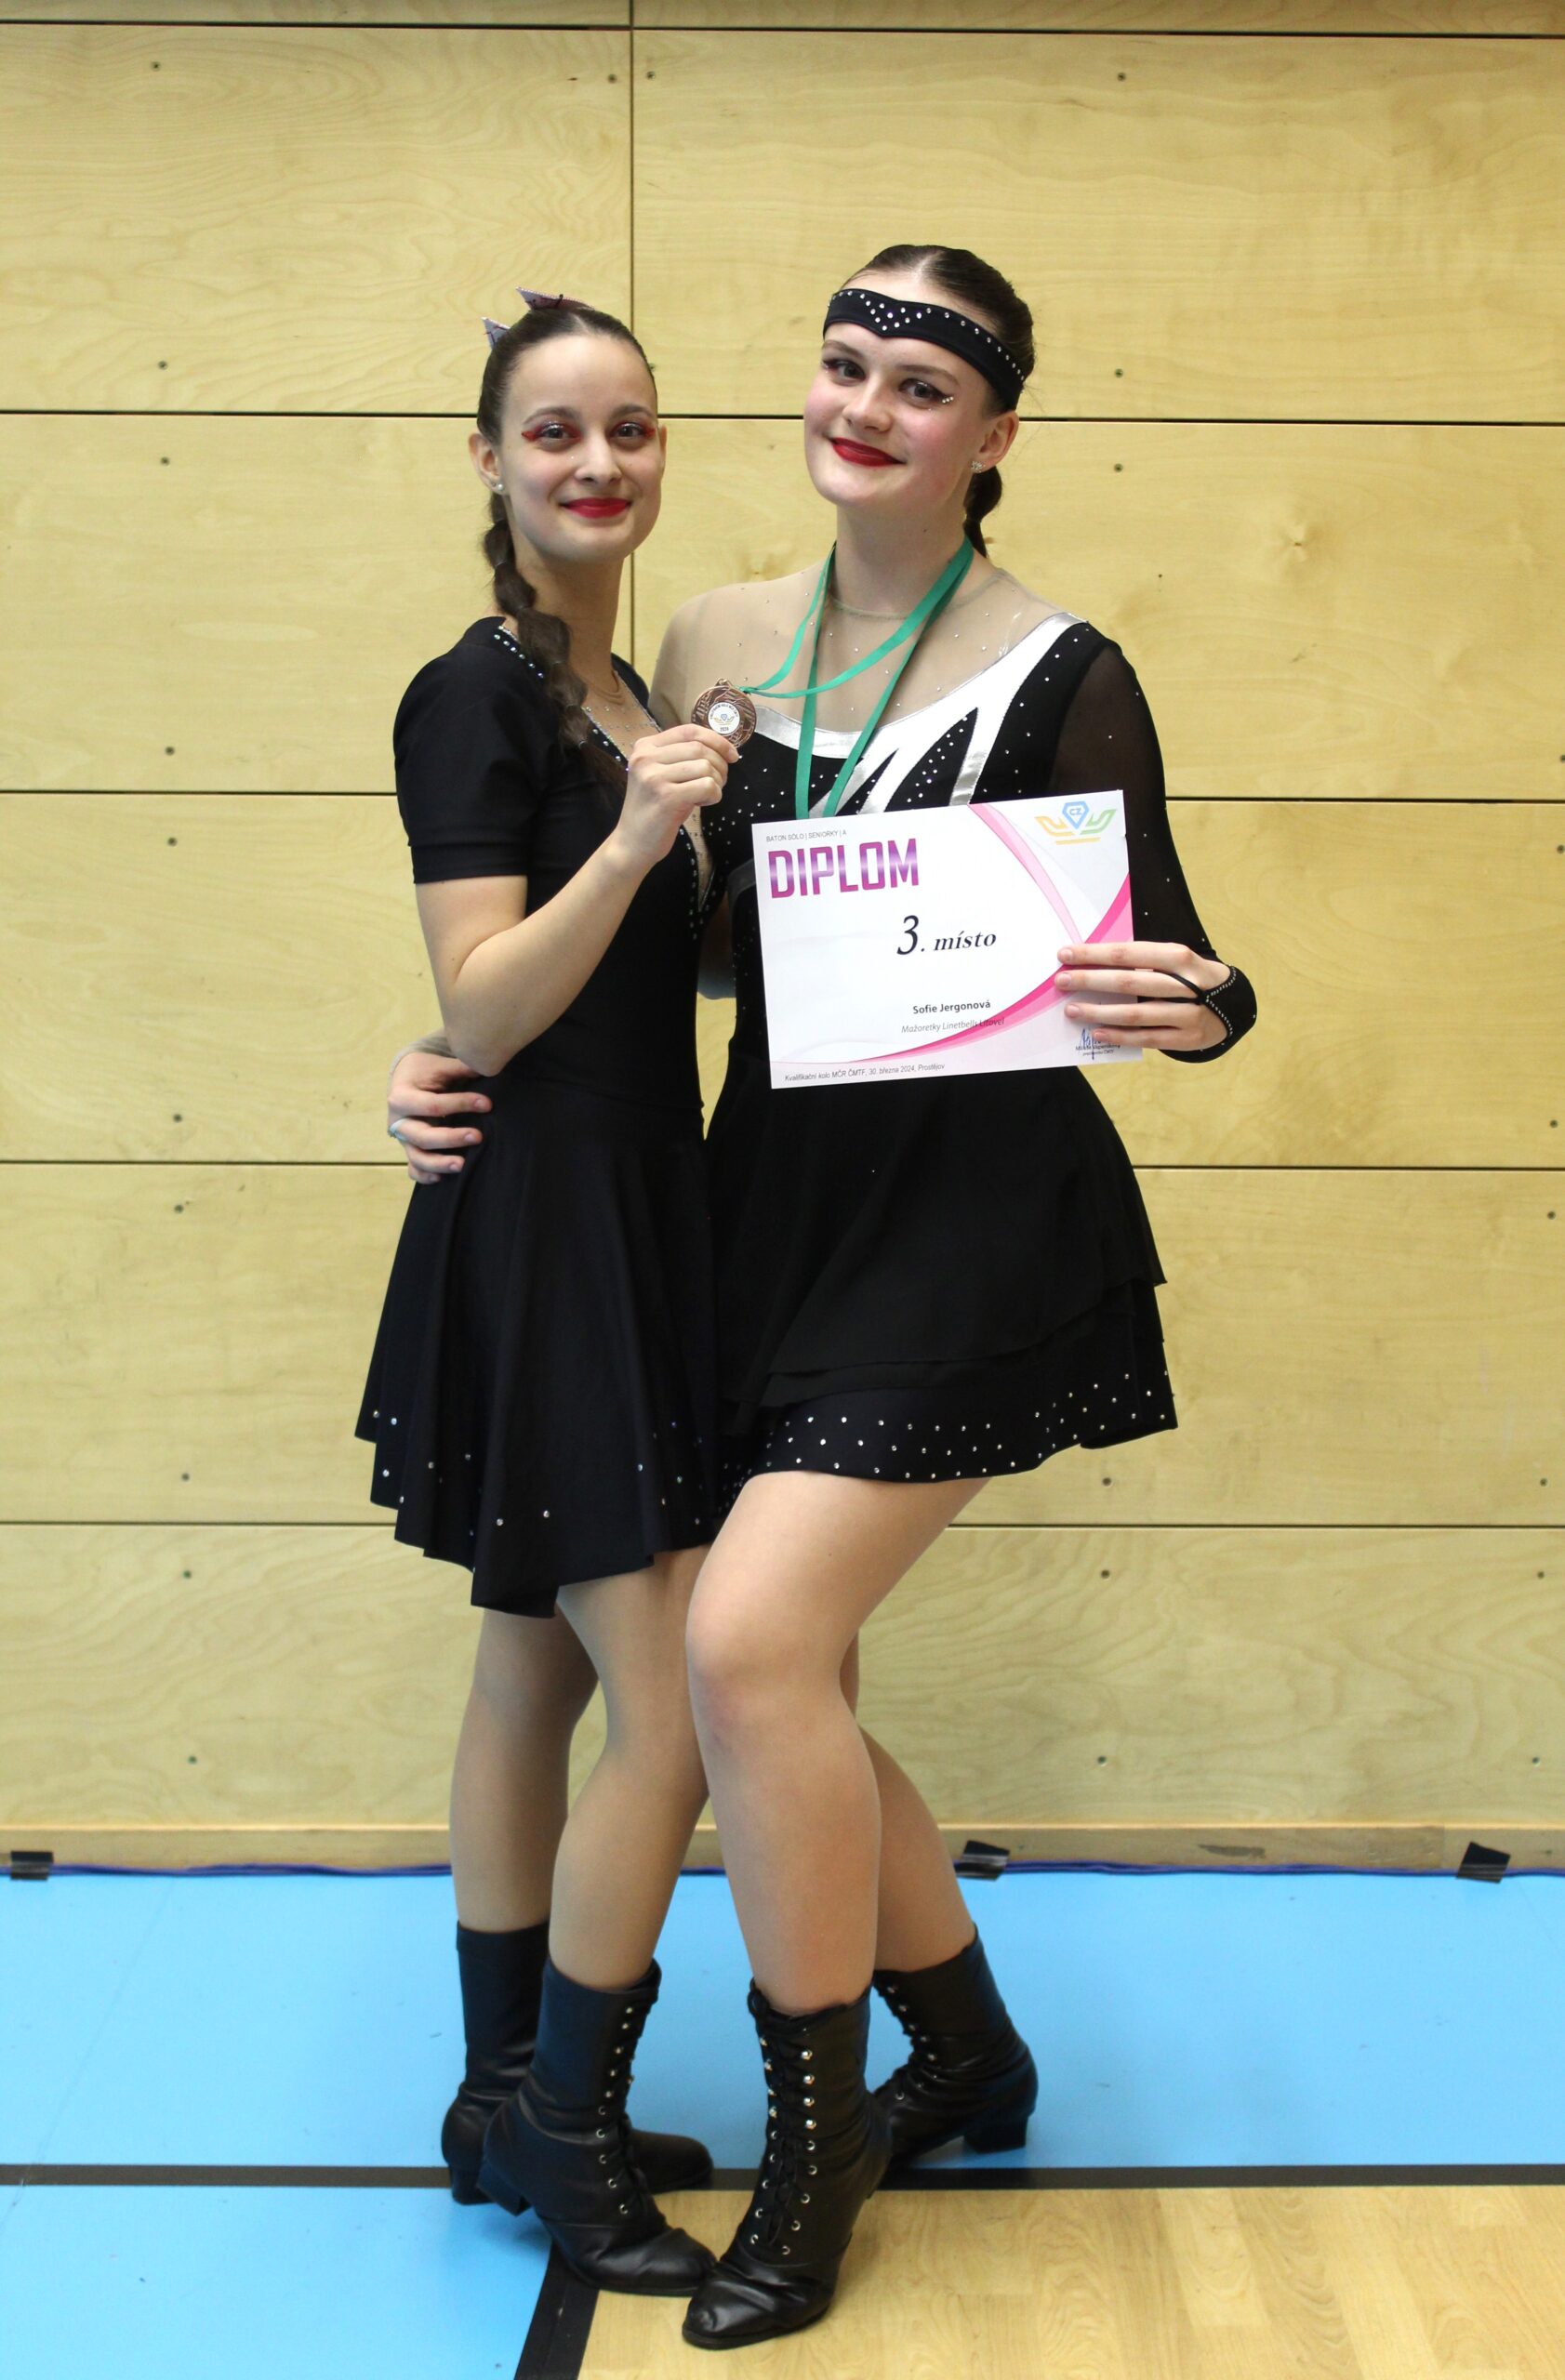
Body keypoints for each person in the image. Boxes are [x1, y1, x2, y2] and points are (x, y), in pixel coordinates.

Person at [390, 243, 1256, 2350]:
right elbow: (690, 946)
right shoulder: (711, 639)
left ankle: (813, 2153)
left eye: (919, 384)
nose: (864, 405)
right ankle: (963, 2046)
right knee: (795, 1688)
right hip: (754, 1213)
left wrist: (1217, 1002)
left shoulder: (1063, 665)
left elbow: (1164, 944)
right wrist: (445, 1057)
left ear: (992, 433)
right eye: (843, 362)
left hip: (967, 1225)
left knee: (745, 1646)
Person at [358, 291, 740, 2297]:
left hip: (639, 1207)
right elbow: (486, 1003)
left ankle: (492, 2091)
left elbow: (642, 979)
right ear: (490, 458)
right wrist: (642, 835)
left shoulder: (623, 694)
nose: (599, 461)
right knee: (675, 1703)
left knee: (536, 1667)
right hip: (550, 1227)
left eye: (632, 428)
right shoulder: (477, 693)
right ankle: (561, 2132)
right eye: (556, 430)